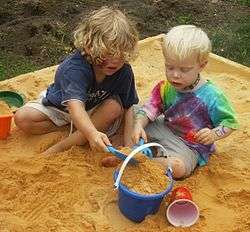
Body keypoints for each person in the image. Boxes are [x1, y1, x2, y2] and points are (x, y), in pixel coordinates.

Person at [14, 6, 139, 154]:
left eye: (121, 54)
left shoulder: (124, 71)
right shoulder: (74, 68)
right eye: (108, 53)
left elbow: (128, 106)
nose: (115, 61)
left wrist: (128, 144)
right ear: (90, 47)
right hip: (62, 108)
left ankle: (70, 140)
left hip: (94, 110)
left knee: (114, 107)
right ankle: (70, 140)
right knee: (23, 118)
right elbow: (75, 108)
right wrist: (92, 133)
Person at [132, 25, 239, 179]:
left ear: (201, 66)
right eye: (169, 67)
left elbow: (230, 123)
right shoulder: (165, 87)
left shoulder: (212, 95)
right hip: (165, 128)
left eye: (184, 70)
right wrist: (138, 125)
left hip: (190, 145)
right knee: (132, 111)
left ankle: (141, 160)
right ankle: (134, 148)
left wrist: (213, 134)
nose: (175, 75)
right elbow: (150, 108)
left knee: (178, 168)